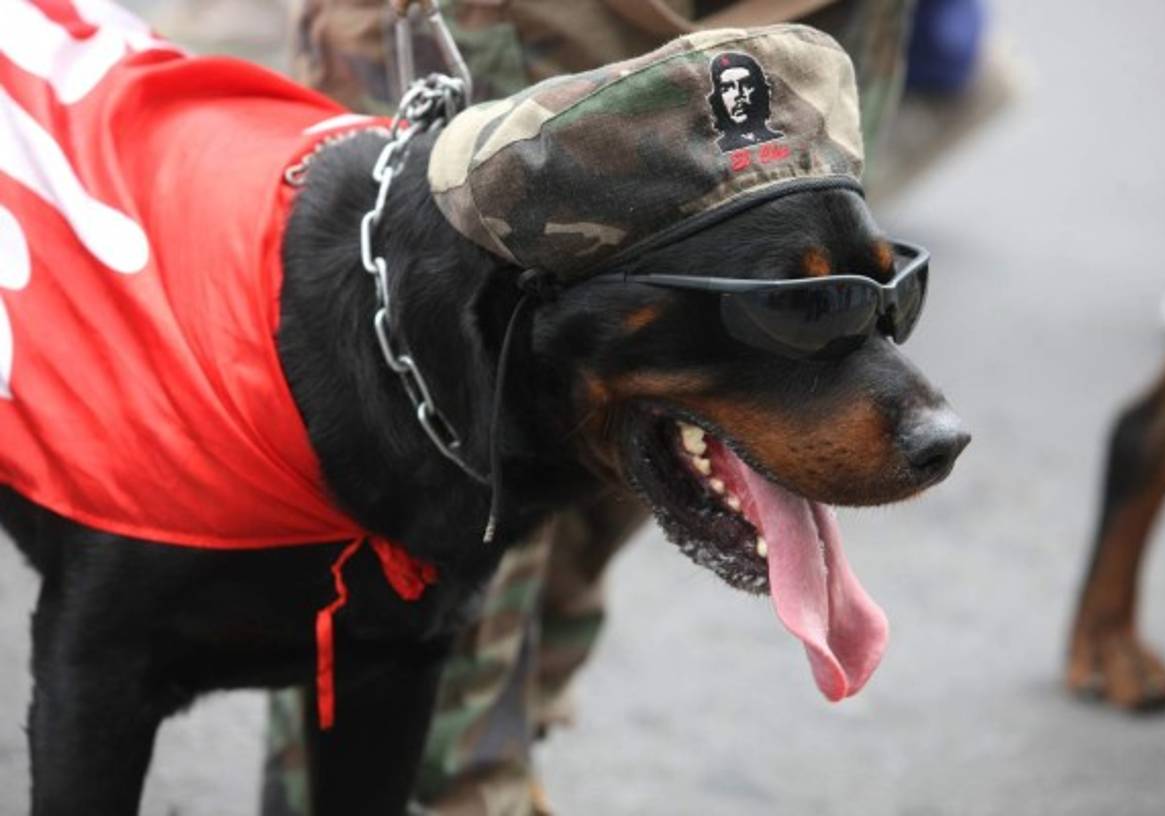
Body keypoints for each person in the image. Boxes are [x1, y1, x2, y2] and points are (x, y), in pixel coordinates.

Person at [263, 3, 916, 814]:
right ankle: (456, 787)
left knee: (665, 419)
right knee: (431, 455)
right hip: (535, 18)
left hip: (816, 17)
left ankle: (506, 735)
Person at [707, 51, 785, 152]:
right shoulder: (716, 151)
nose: (738, 94)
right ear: (718, 99)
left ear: (761, 91)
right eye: (727, 88)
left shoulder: (780, 139)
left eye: (746, 85)